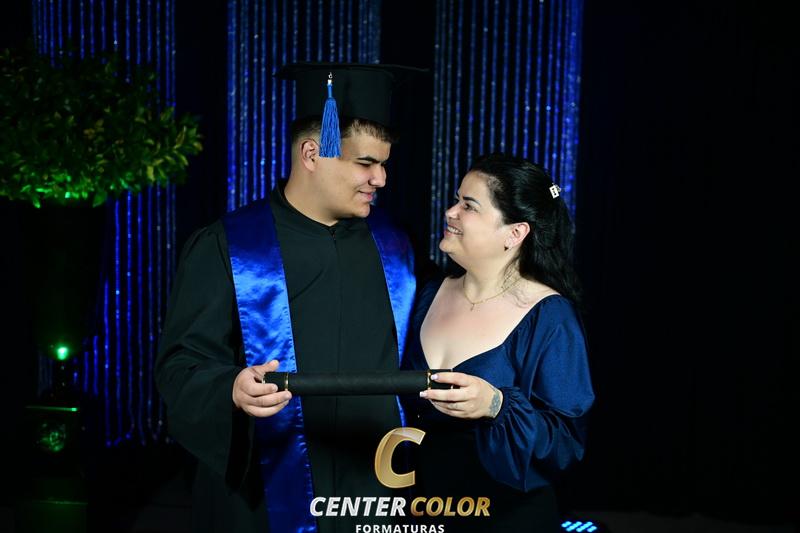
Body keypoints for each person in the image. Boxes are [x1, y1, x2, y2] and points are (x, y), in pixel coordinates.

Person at [155, 63, 421, 533]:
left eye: (384, 164)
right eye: (365, 163)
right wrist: (230, 387)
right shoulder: (230, 247)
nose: (380, 178)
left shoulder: (395, 247)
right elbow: (181, 365)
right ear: (312, 153)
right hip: (265, 492)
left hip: (372, 482)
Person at [401, 153, 595, 532]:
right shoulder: (427, 292)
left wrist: (497, 404)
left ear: (515, 233)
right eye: (456, 200)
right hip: (426, 509)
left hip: (507, 519)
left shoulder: (550, 316)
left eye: (469, 206)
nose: (450, 212)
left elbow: (566, 444)